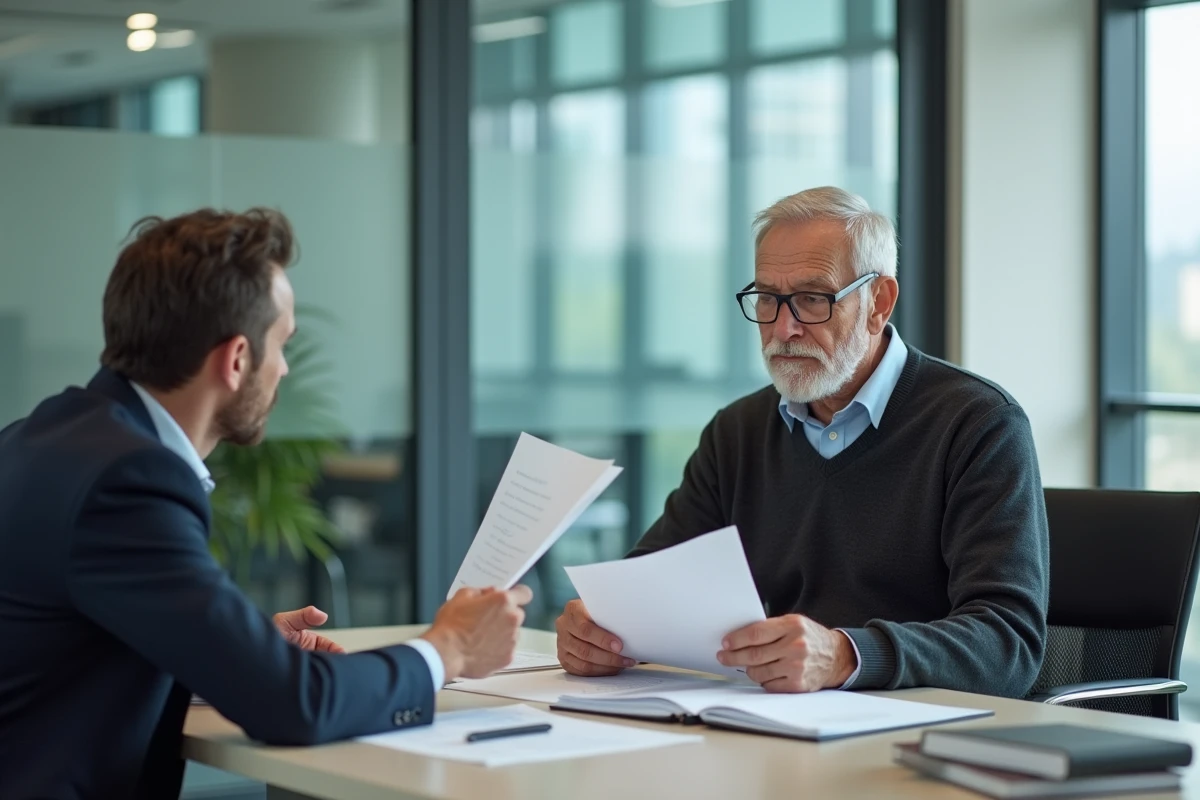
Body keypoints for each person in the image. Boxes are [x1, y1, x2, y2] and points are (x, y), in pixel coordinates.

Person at [0, 209, 531, 800]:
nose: (283, 370)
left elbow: (77, 641)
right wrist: (449, 649)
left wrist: (234, 647)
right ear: (235, 361)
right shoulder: (129, 480)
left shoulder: (43, 437)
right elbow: (291, 705)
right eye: (283, 346)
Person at [555, 186, 1049, 698]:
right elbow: (647, 585)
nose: (783, 328)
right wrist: (599, 630)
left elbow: (1008, 643)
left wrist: (844, 655)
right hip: (767, 721)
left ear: (878, 303)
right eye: (768, 298)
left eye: (813, 299)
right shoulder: (738, 431)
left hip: (917, 734)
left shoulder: (978, 424)